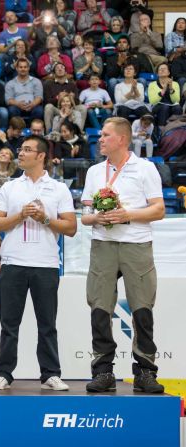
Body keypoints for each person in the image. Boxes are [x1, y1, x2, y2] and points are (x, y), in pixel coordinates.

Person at [80, 117, 165, 394]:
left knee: (142, 309)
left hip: (136, 244)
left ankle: (145, 372)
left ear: (122, 139)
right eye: (101, 135)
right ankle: (103, 371)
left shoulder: (145, 168)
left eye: (105, 135)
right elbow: (85, 215)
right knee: (99, 309)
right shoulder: (94, 171)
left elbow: (158, 210)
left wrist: (127, 215)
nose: (100, 139)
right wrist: (97, 218)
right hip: (102, 244)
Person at [0, 135, 77, 391]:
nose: (21, 153)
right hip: (13, 263)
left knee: (47, 324)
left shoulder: (59, 188)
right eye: (21, 149)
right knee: (9, 323)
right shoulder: (9, 187)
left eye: (27, 150)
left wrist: (46, 219)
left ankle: (50, 373)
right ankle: (3, 373)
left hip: (46, 264)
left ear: (41, 156)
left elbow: (71, 228)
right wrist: (21, 215)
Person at [148, 63, 181, 127]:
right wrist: (164, 89)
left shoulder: (175, 84)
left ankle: (176, 128)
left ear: (168, 72)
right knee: (164, 107)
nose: (162, 70)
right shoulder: (152, 84)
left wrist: (171, 88)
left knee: (178, 108)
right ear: (157, 73)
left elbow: (176, 100)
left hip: (172, 105)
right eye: (160, 69)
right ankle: (161, 127)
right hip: (157, 106)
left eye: (164, 68)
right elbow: (153, 101)